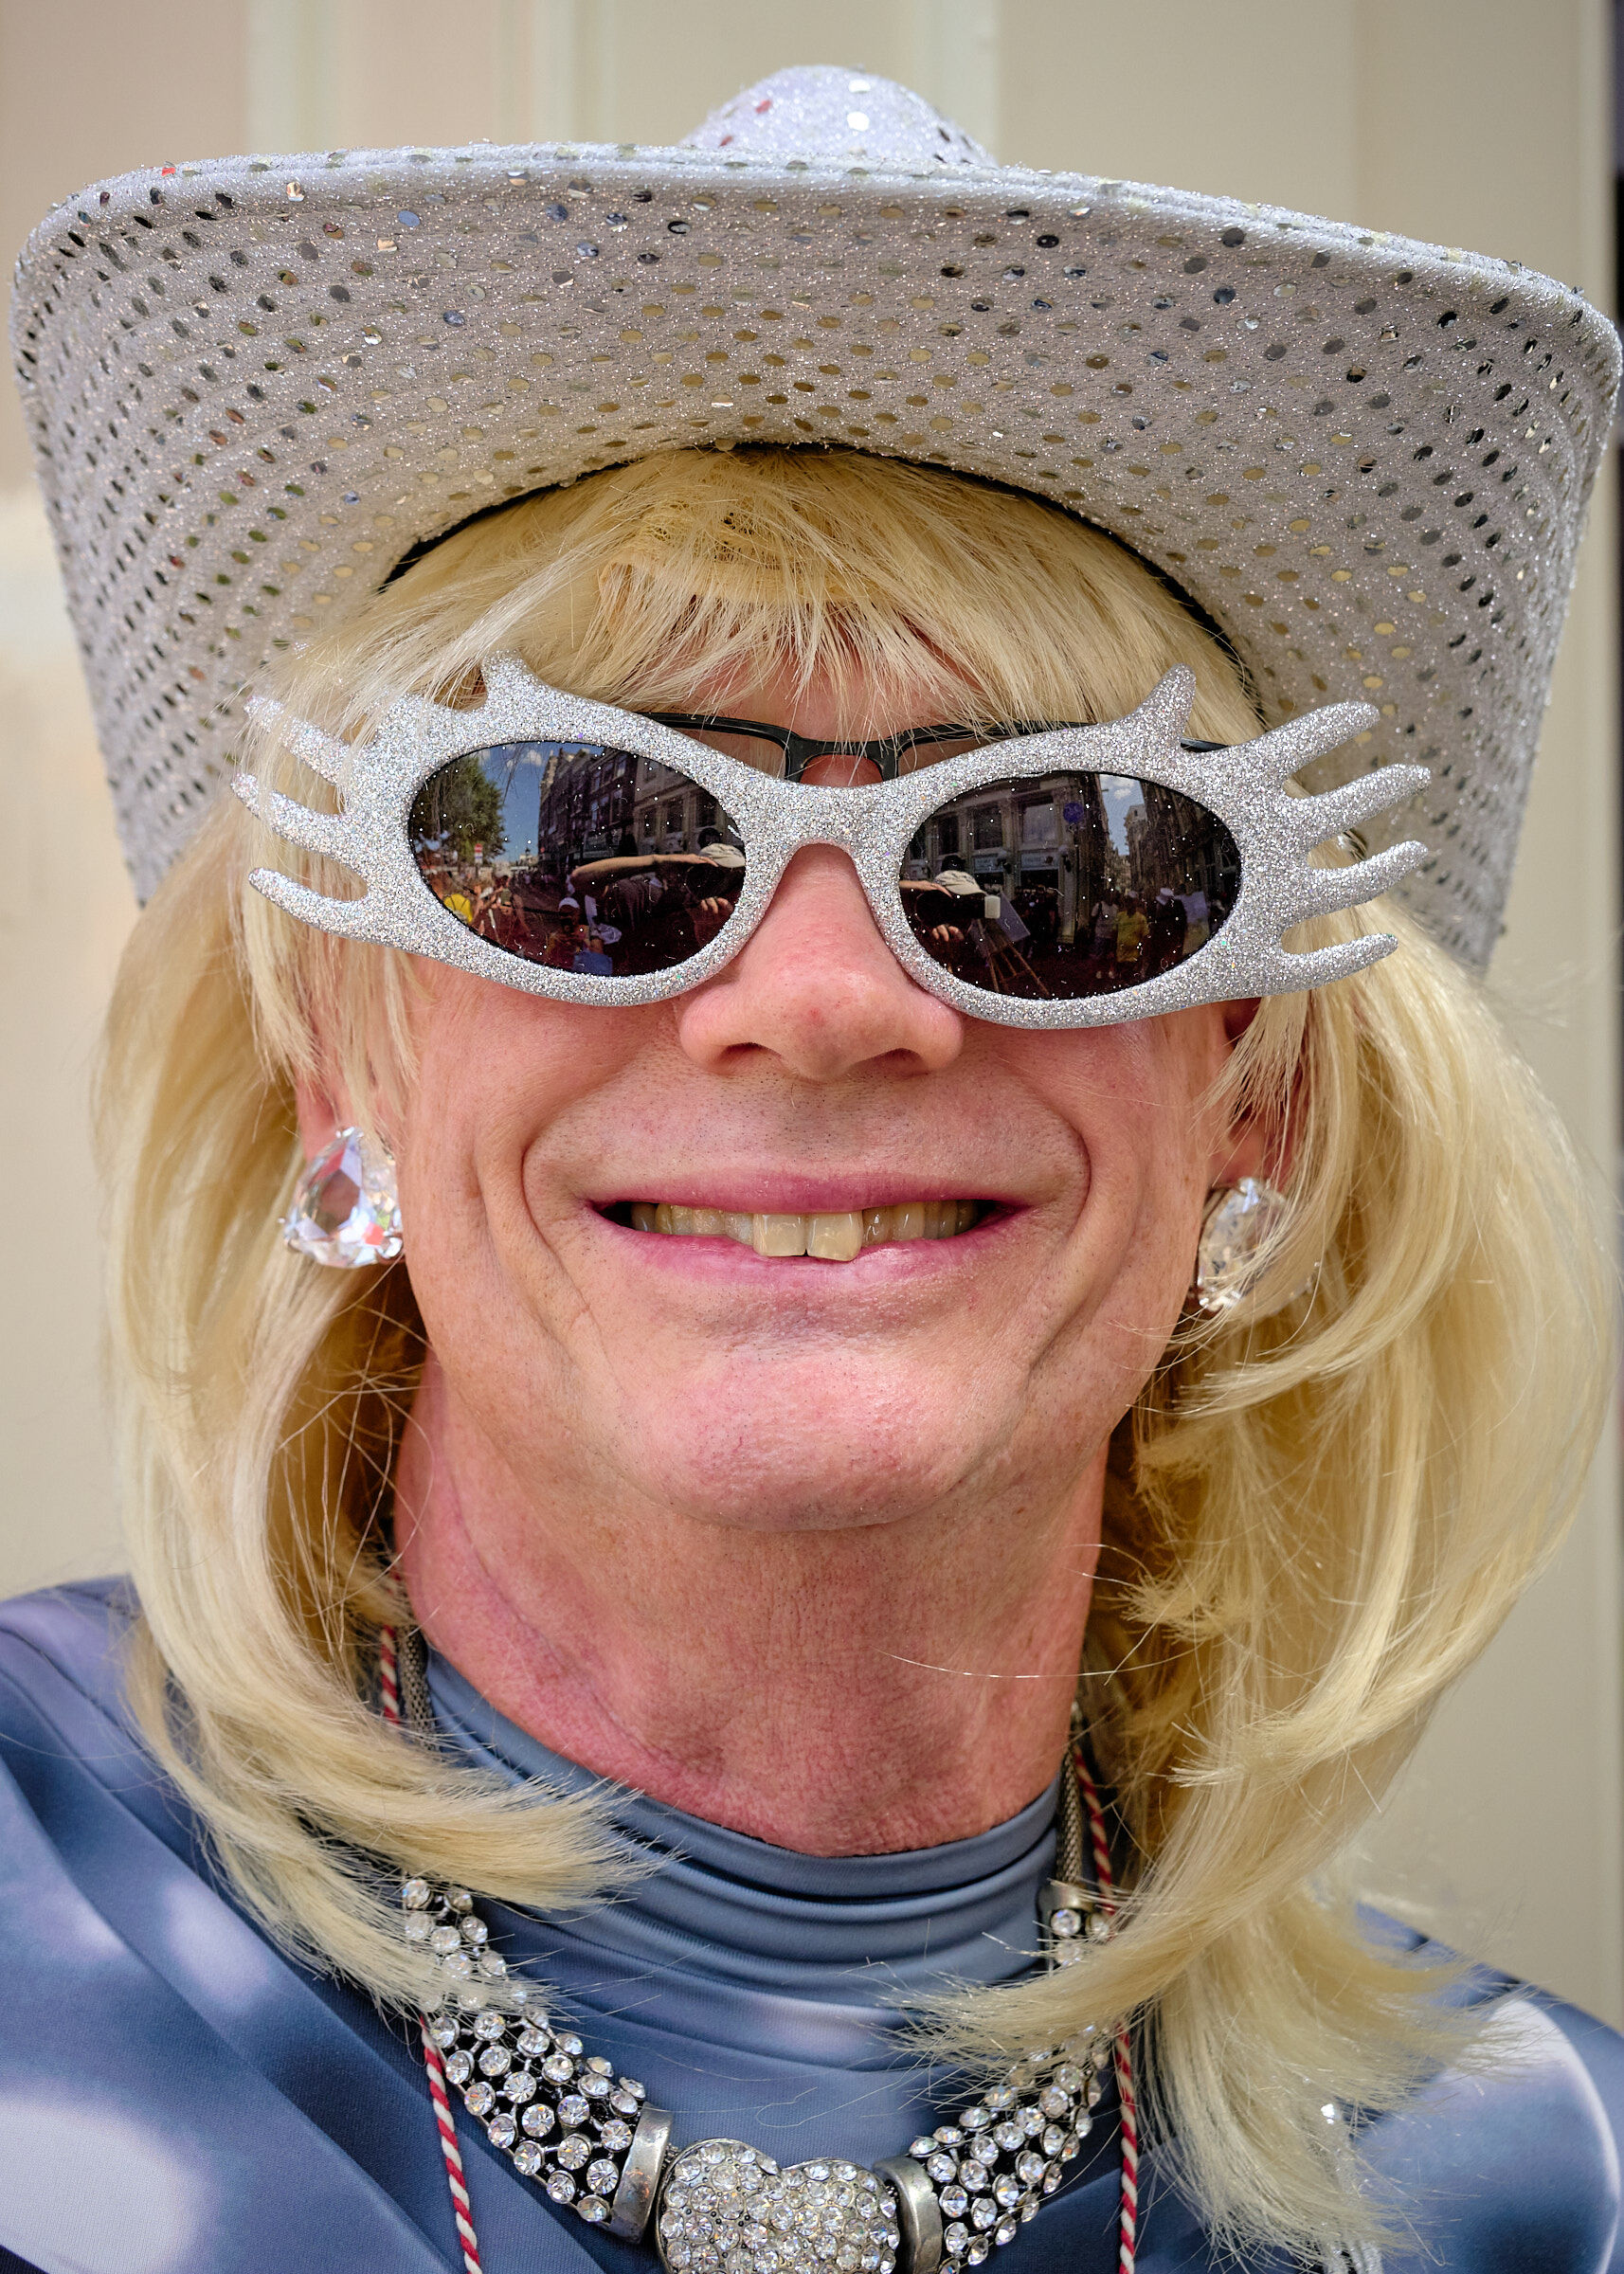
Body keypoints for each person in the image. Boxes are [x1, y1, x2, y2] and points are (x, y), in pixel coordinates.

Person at [4, 63, 1621, 2274]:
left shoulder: (1538, 2190)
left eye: (1052, 865)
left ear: (1251, 1098)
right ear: (336, 1061)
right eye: (587, 837)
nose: (830, 997)